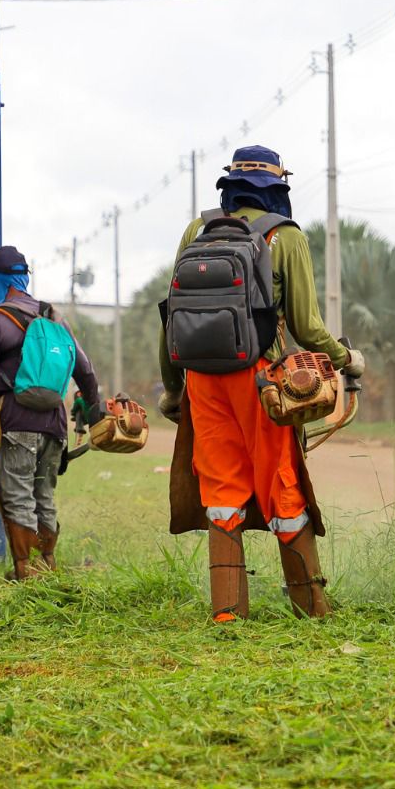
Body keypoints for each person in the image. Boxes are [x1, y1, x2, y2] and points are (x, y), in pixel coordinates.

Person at [159, 145, 365, 622]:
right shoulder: (285, 236)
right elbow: (307, 328)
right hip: (261, 381)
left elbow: (170, 318)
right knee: (282, 485)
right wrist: (348, 360)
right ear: (277, 188)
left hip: (202, 382)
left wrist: (172, 388)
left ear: (230, 186)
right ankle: (310, 607)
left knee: (220, 489)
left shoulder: (195, 231)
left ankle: (228, 612)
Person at [0, 246, 103, 580]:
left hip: (17, 420)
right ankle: (47, 564)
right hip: (55, 423)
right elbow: (86, 370)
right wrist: (89, 405)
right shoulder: (53, 317)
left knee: (18, 495)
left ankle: (28, 570)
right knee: (44, 494)